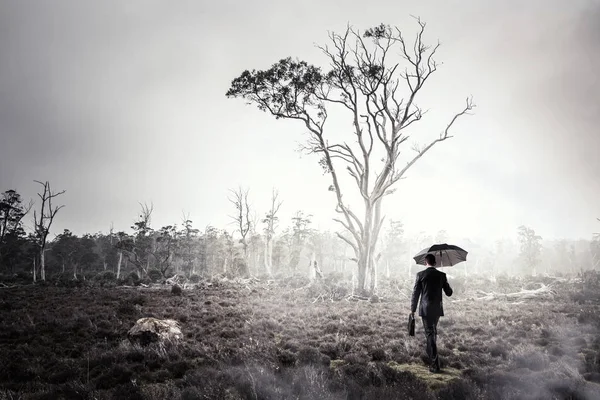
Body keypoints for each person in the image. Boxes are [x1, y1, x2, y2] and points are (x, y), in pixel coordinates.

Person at [410, 253, 453, 373]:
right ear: (435, 263)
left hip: (425, 309)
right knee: (431, 333)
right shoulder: (441, 275)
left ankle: (435, 365)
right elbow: (449, 292)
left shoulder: (420, 275)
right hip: (437, 309)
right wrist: (445, 281)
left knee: (430, 334)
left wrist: (412, 309)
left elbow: (415, 293)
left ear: (425, 262)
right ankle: (432, 362)